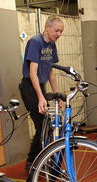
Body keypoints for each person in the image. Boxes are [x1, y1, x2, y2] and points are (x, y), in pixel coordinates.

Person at [19, 15, 64, 172]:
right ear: (47, 27)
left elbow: (50, 71)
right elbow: (32, 72)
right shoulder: (35, 42)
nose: (58, 34)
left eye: (61, 31)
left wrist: (57, 94)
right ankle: (32, 160)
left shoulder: (51, 44)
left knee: (47, 124)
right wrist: (40, 97)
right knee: (42, 124)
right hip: (30, 87)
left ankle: (42, 156)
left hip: (40, 85)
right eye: (56, 30)